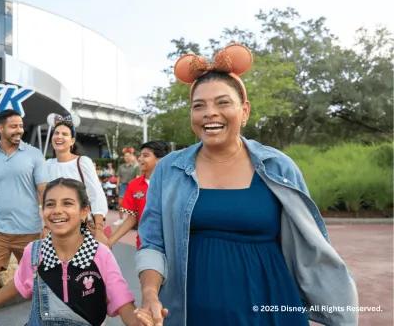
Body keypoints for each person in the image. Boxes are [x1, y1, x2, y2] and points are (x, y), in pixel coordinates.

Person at [136, 44, 358, 326]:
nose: (210, 113)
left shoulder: (279, 167)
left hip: (271, 308)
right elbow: (153, 241)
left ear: (245, 111)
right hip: (192, 312)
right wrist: (150, 294)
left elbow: (311, 244)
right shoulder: (169, 169)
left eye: (223, 102)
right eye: (198, 106)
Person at [0, 178, 154, 326]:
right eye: (50, 204)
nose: (57, 211)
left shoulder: (100, 254)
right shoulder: (34, 251)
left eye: (67, 203)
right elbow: (20, 282)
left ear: (84, 212)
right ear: (43, 211)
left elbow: (122, 300)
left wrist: (138, 321)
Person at [0, 109, 47, 310]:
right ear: (0, 128)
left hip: (29, 232)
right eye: (14, 126)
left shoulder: (34, 155)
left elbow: (44, 192)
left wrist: (48, 225)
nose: (19, 130)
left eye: (21, 126)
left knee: (39, 284)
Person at [44, 114, 110, 245]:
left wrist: (99, 229)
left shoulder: (83, 162)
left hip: (81, 228)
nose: (59, 136)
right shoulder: (47, 165)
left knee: (83, 264)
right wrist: (45, 226)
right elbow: (44, 199)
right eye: (56, 133)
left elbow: (96, 195)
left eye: (65, 134)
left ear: (72, 141)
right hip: (56, 228)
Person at [108, 141, 167, 249]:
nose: (139, 159)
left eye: (145, 156)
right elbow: (132, 218)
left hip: (174, 245)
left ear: (160, 160)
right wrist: (109, 242)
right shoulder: (134, 185)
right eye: (140, 155)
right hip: (145, 244)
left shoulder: (174, 183)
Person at [114, 147, 139, 226]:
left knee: (131, 204)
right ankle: (121, 219)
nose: (127, 157)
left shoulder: (136, 167)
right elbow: (118, 177)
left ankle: (130, 220)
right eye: (125, 156)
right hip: (123, 186)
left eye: (128, 156)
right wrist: (117, 186)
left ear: (131, 156)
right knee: (120, 203)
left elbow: (137, 177)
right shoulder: (121, 167)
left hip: (131, 187)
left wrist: (134, 185)